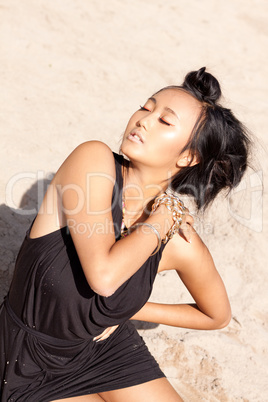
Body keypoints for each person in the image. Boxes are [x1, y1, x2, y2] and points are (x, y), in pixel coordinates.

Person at [0, 67, 251, 402]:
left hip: (107, 354)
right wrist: (161, 220)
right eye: (146, 107)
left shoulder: (177, 240)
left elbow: (216, 315)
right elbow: (103, 276)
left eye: (165, 120)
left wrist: (131, 311)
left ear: (189, 156)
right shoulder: (92, 161)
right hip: (27, 358)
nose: (143, 120)